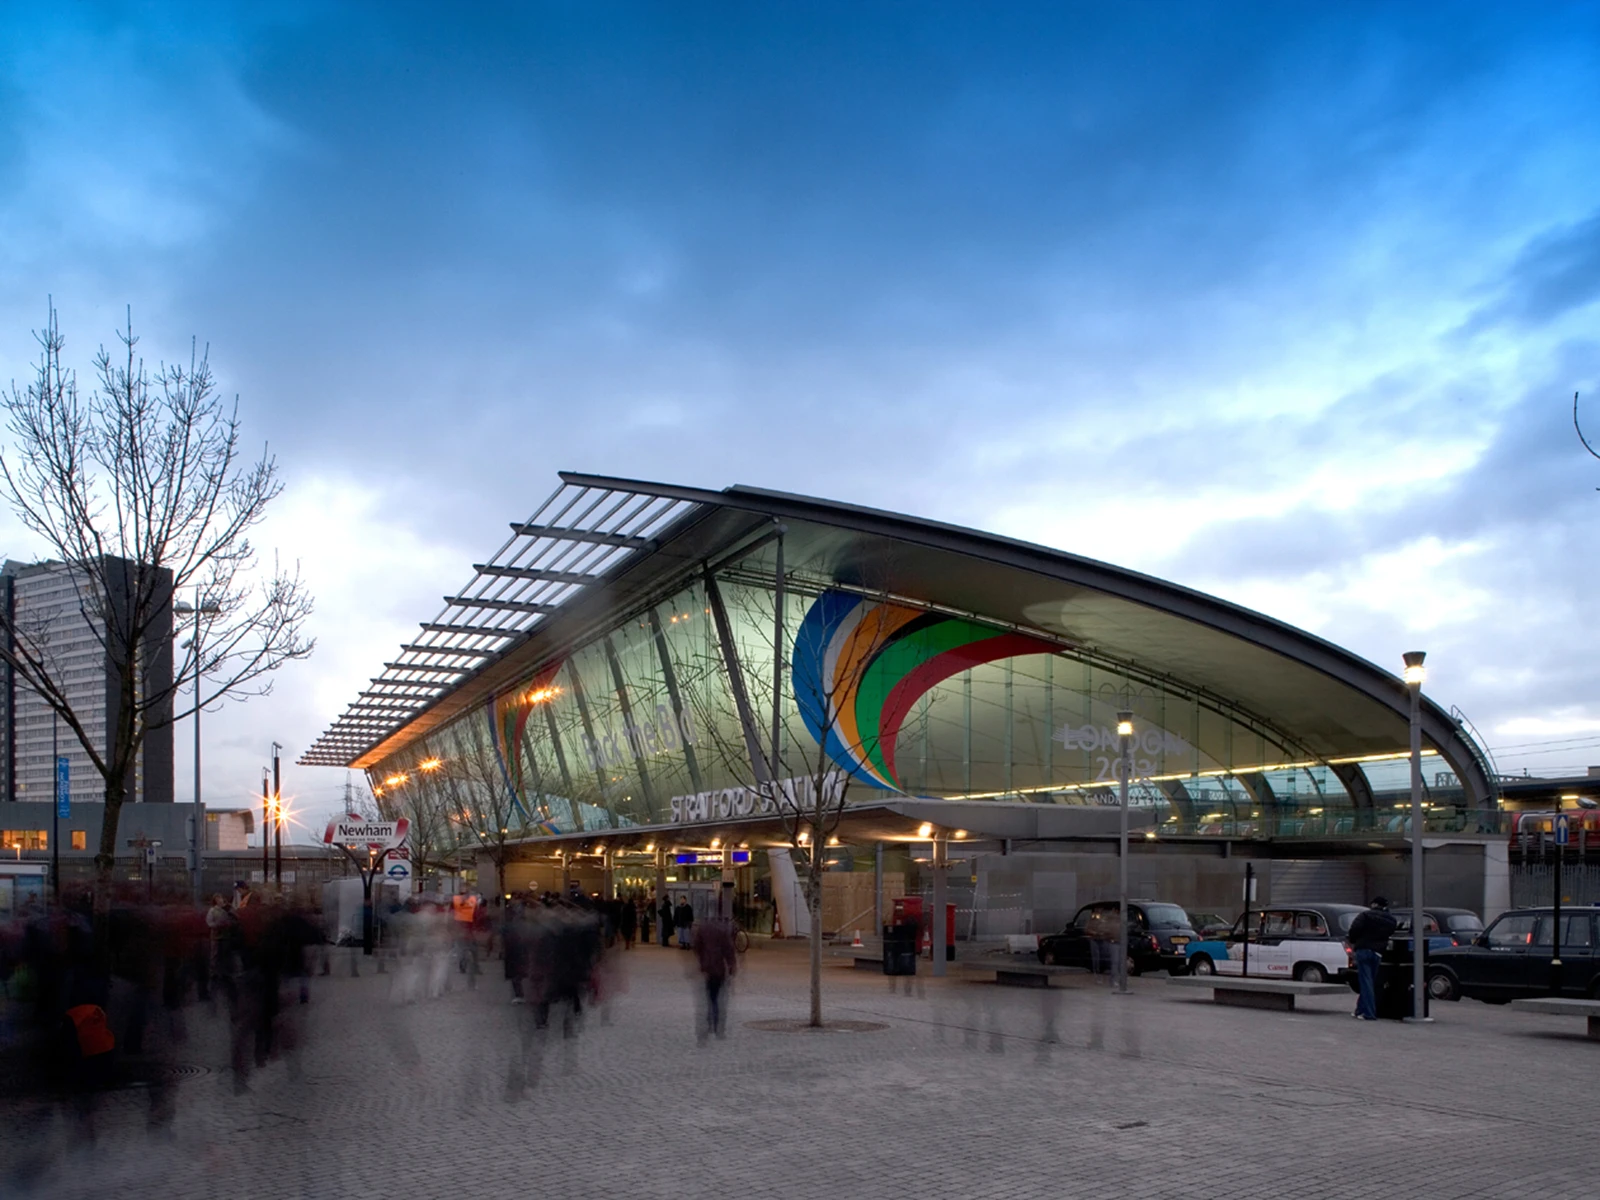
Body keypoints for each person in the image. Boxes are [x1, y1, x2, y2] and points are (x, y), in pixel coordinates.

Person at [1348, 896, 1397, 1020]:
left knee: (1366, 983)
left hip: (1363, 950)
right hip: (1378, 952)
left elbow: (1353, 931)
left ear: (1374, 904)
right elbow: (1391, 933)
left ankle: (1369, 1013)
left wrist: (1354, 941)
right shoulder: (1391, 920)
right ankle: (1359, 1010)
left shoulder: (1365, 916)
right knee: (1369, 982)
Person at [693, 911, 738, 1042]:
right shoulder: (722, 930)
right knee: (720, 998)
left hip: (708, 968)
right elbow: (729, 949)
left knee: (710, 997)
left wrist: (702, 961)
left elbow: (697, 946)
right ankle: (718, 1027)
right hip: (719, 968)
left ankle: (709, 1022)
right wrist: (731, 965)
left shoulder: (703, 928)